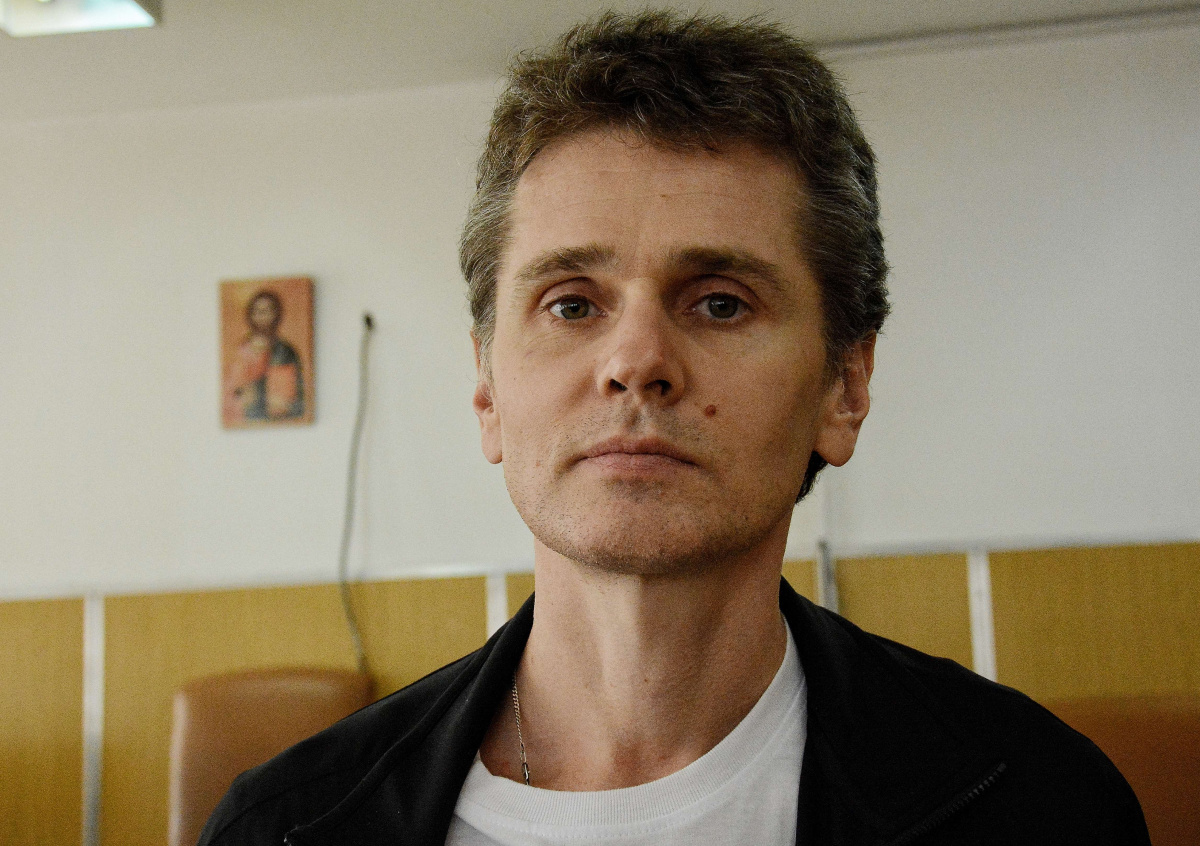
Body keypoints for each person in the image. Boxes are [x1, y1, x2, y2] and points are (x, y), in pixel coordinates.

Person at [199, 11, 1149, 845]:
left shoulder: (1041, 807)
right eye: (572, 304)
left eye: (721, 302)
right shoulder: (282, 827)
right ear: (487, 390)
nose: (636, 360)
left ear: (844, 387)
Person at [223, 290, 305, 424]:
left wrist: (257, 392)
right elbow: (231, 391)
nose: (261, 316)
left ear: (276, 314)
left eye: (266, 311)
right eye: (257, 311)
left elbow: (286, 400)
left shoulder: (284, 351)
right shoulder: (240, 350)